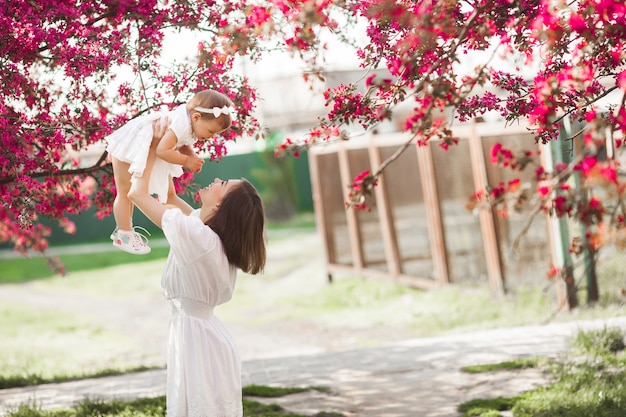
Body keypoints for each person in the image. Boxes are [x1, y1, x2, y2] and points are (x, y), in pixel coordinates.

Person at [128, 133, 266, 416]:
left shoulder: (198, 238)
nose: (216, 180)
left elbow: (136, 194)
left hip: (198, 340)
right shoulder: (203, 232)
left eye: (223, 184)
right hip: (200, 335)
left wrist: (144, 145)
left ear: (220, 207)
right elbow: (169, 197)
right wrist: (164, 149)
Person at [105, 89, 234, 255]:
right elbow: (162, 151)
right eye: (211, 132)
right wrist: (187, 161)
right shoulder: (180, 123)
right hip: (134, 144)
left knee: (168, 195)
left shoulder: (191, 123)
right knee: (124, 192)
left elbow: (184, 142)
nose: (212, 137)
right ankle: (124, 233)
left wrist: (191, 155)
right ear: (196, 117)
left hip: (150, 145)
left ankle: (197, 220)